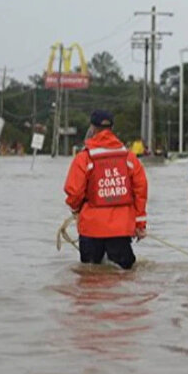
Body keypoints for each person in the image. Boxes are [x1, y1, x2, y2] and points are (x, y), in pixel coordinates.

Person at [64, 110, 148, 269]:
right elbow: (141, 191)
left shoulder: (84, 157)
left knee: (90, 279)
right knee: (122, 280)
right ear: (112, 128)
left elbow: (74, 192)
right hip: (121, 228)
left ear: (92, 128)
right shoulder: (129, 158)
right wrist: (140, 224)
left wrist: (76, 210)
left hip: (91, 228)